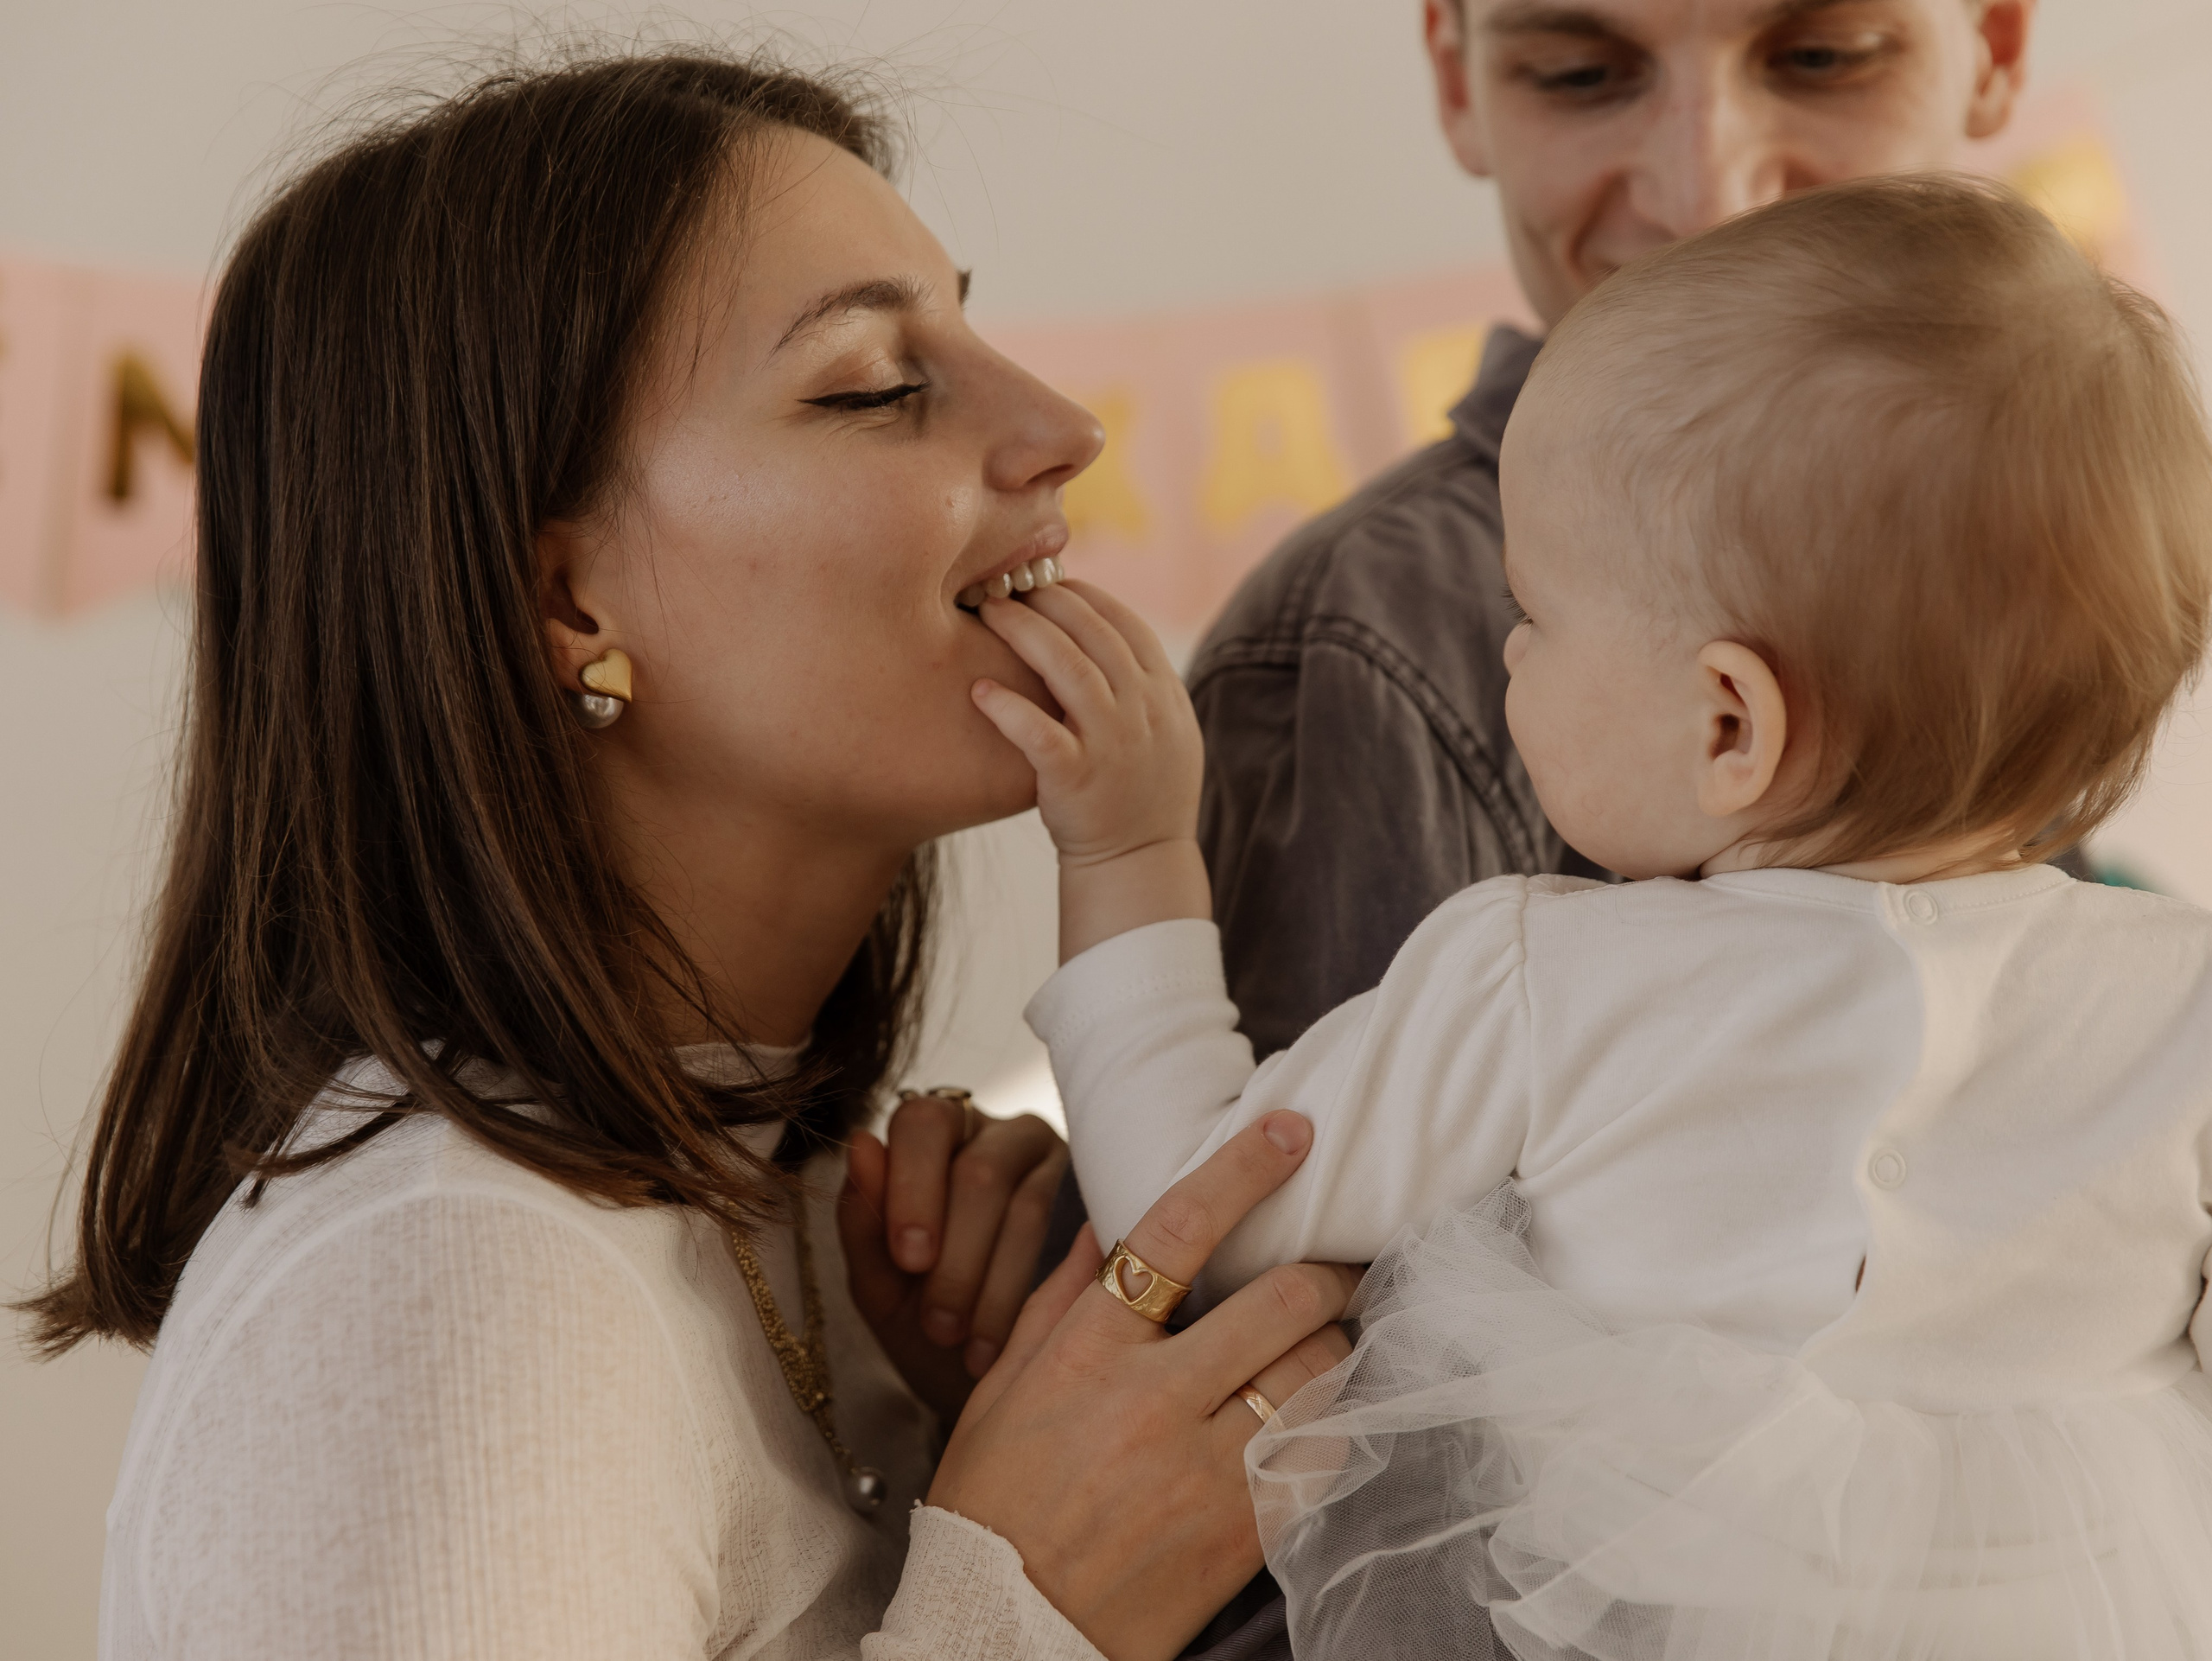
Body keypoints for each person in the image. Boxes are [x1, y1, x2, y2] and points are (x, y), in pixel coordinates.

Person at [20, 51, 1358, 1661]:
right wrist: (1031, 1599)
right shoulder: (455, 1274)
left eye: (966, 333)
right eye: (873, 384)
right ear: (563, 603)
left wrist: (969, 1422)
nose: (1064, 431)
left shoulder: (800, 1223)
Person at [976, 175, 2212, 1655]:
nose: (1508, 652)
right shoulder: (2183, 991)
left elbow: (1197, 1212)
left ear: (1728, 724)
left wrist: (1126, 846)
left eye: (1535, 613)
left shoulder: (1544, 976)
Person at [1192, 0, 2044, 1062]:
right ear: (1458, 84)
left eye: (1824, 58)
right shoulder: (1355, 652)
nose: (1706, 199)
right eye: (1579, 75)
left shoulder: (2024, 523)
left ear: (1994, 45)